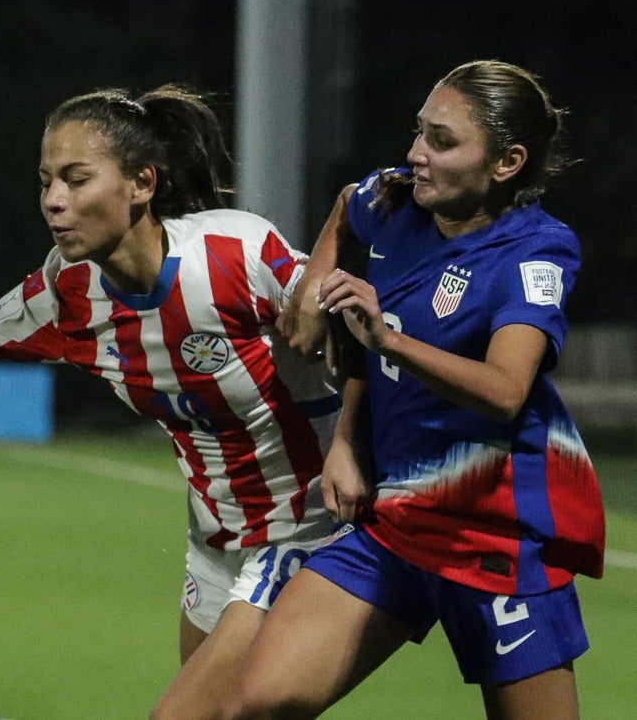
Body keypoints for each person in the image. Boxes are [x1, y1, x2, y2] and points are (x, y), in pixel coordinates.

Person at [0, 85, 344, 719]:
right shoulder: (68, 288)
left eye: (77, 180)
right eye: (47, 181)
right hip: (216, 540)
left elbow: (344, 314)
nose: (54, 201)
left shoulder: (233, 253)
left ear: (141, 183)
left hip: (305, 524)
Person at [233, 60, 606, 719]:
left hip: (497, 533)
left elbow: (505, 390)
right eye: (418, 133)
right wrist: (315, 290)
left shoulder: (536, 252)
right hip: (397, 521)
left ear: (507, 161)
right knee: (258, 703)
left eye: (441, 140)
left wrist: (389, 341)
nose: (415, 154)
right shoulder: (395, 202)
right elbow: (349, 204)